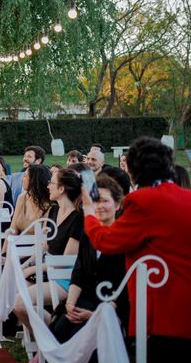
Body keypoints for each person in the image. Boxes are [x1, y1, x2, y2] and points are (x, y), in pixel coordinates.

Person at [83, 137, 191, 359]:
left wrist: (88, 212)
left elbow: (107, 241)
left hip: (162, 309)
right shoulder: (187, 197)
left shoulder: (143, 200)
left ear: (133, 170)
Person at [50, 174, 128, 344]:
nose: (99, 206)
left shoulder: (125, 238)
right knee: (59, 329)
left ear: (118, 204)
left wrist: (97, 314)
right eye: (95, 201)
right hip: (85, 299)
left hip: (114, 307)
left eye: (104, 201)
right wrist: (70, 303)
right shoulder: (89, 232)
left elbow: (128, 287)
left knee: (78, 337)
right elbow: (79, 271)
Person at [13, 168, 83, 329]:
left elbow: (65, 261)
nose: (48, 186)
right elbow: (44, 247)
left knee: (19, 303)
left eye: (51, 183)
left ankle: (52, 336)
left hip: (65, 279)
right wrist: (26, 264)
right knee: (17, 287)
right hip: (48, 270)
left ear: (61, 189)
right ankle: (48, 335)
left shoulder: (78, 219)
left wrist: (32, 270)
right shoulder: (54, 211)